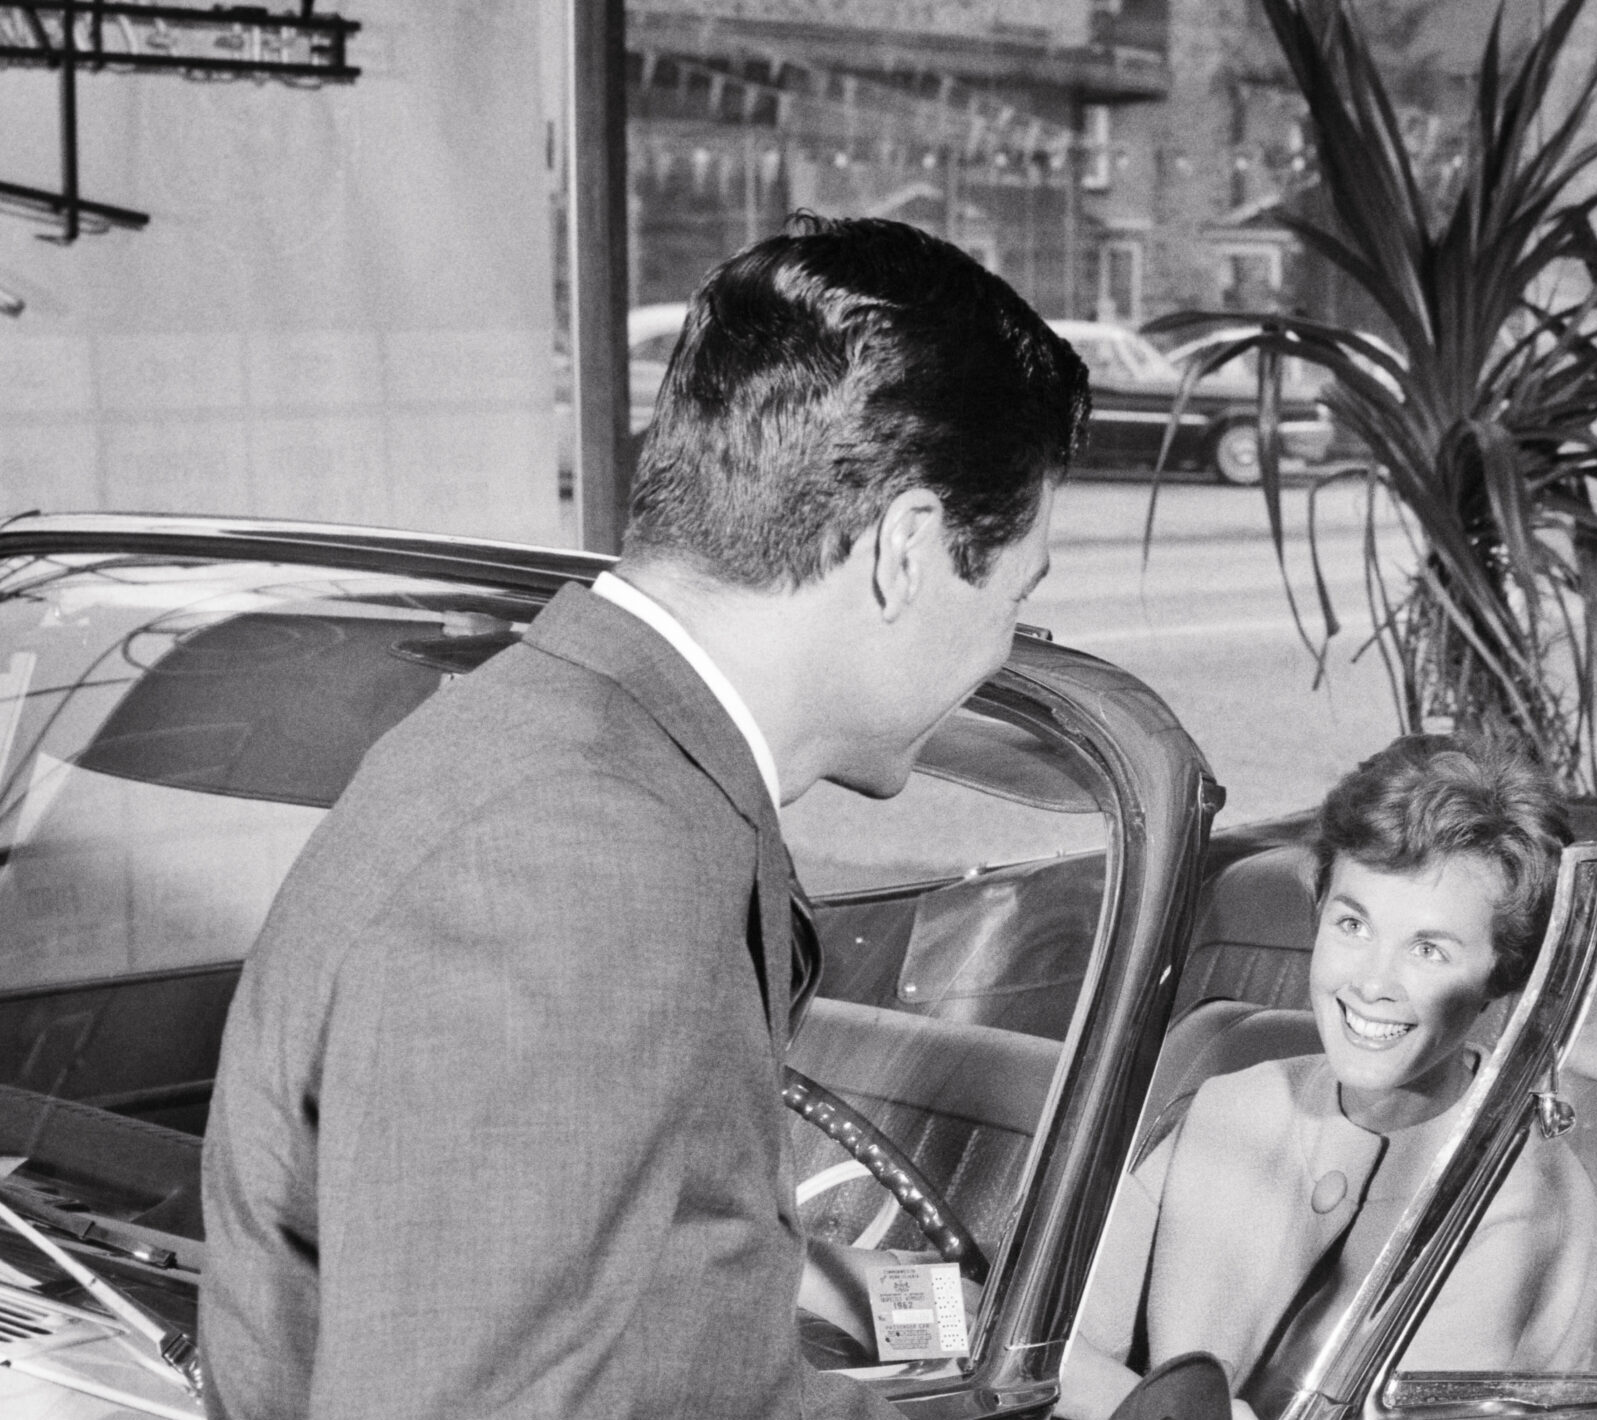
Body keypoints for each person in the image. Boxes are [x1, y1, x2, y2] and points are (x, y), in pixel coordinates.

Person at [200, 216, 1088, 1419]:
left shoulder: (579, 761)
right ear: (907, 551)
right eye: (1016, 594)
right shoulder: (574, 858)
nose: (999, 651)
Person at [1058, 736, 1597, 1420]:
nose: (1373, 983)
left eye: (1428, 949)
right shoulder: (1230, 1107)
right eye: (1353, 924)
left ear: (1504, 971)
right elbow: (1054, 1346)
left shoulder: (1523, 1203)